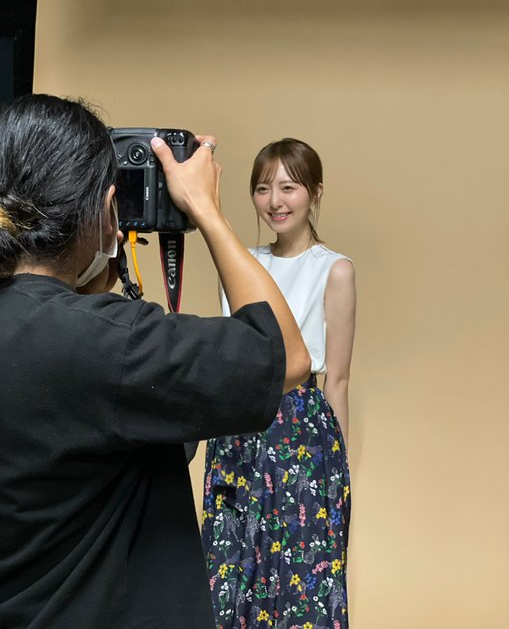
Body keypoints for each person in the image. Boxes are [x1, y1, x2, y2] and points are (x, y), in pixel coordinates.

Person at [0, 95, 310, 629]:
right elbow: (286, 355)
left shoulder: (76, 338)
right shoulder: (108, 345)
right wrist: (205, 209)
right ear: (106, 208)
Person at [202, 138, 356, 628]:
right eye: (263, 188)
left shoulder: (334, 270)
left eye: (289, 187)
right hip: (238, 428)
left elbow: (337, 380)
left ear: (315, 192)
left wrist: (338, 476)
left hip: (300, 435)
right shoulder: (241, 264)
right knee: (231, 568)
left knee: (301, 577)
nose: (275, 201)